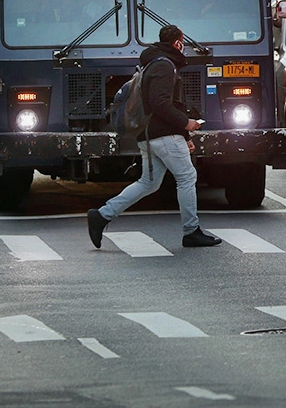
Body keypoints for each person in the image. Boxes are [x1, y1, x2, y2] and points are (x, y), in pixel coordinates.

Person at [87, 25, 222, 249]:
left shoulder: (152, 63)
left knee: (148, 182)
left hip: (149, 134)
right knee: (187, 177)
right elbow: (161, 105)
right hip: (163, 134)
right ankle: (191, 231)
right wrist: (186, 123)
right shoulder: (164, 66)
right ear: (178, 43)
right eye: (182, 44)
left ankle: (102, 216)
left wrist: (184, 134)